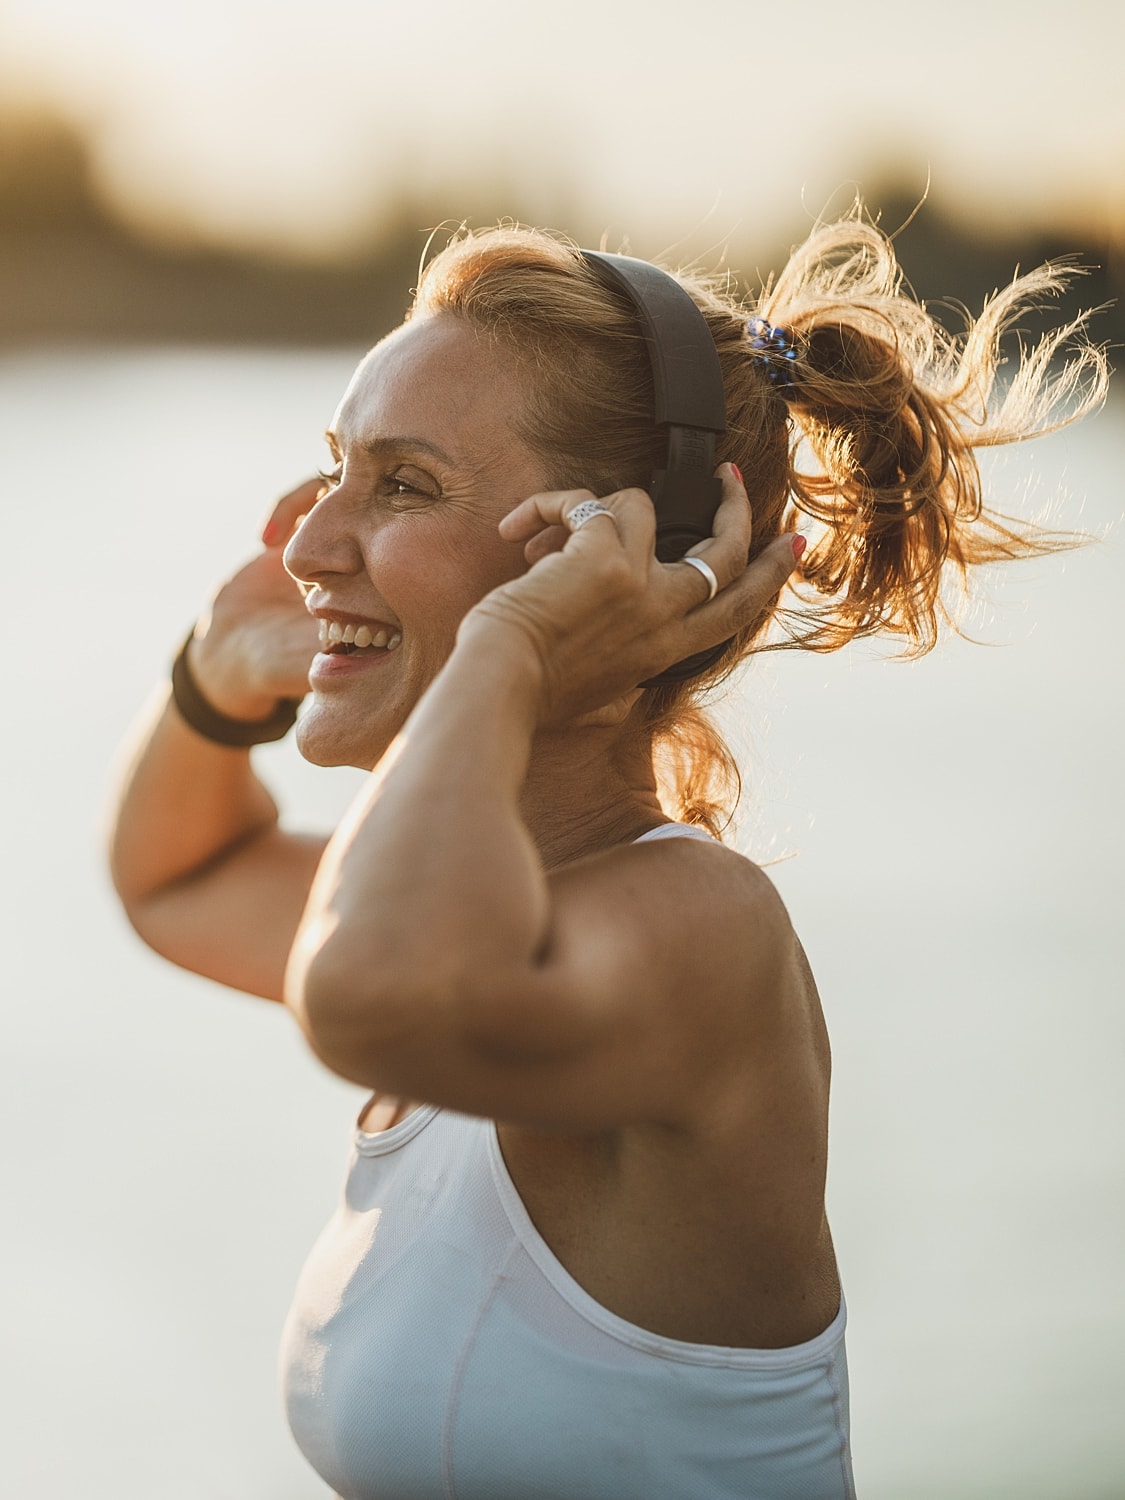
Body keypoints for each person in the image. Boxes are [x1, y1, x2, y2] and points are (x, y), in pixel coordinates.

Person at [108, 212, 1106, 1500]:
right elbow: (173, 884)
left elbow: (365, 995)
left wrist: (512, 653)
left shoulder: (697, 929)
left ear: (604, 560)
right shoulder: (470, 903)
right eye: (334, 470)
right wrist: (209, 677)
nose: (303, 546)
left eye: (402, 485)